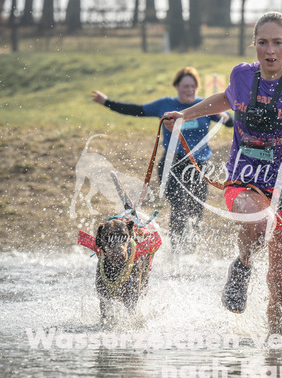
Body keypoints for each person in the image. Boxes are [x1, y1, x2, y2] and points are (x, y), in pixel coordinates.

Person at [162, 12, 282, 336]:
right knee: (259, 219)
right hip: (245, 179)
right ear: (254, 44)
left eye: (278, 42)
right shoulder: (242, 75)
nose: (270, 50)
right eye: (263, 42)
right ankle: (243, 265)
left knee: (281, 285)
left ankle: (277, 351)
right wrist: (185, 114)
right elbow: (226, 98)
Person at [91, 67, 233, 254]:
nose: (189, 90)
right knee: (180, 207)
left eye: (193, 86)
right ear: (177, 86)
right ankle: (176, 252)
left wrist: (225, 117)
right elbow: (137, 110)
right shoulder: (165, 104)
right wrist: (107, 102)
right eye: (185, 86)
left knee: (196, 210)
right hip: (172, 164)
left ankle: (190, 252)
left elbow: (230, 122)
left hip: (199, 166)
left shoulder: (203, 105)